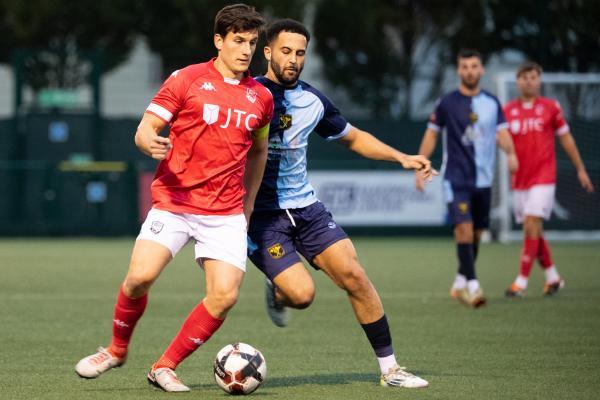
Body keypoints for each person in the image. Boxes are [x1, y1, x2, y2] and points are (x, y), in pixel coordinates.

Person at [74, 4, 273, 392]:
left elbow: (259, 152)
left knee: (224, 296)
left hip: (226, 212)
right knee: (138, 279)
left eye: (252, 42)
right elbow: (145, 128)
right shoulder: (186, 79)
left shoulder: (261, 98)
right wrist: (148, 140)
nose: (246, 50)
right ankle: (116, 350)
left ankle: (164, 366)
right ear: (219, 41)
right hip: (175, 202)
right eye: (238, 41)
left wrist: (248, 204)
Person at [247, 19, 435, 389]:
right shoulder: (246, 94)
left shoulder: (313, 101)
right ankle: (281, 289)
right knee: (302, 296)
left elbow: (353, 137)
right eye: (285, 51)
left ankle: (390, 369)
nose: (293, 60)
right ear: (267, 52)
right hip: (263, 216)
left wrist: (402, 157)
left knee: (355, 275)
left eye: (300, 53)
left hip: (307, 209)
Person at [416, 49, 519, 308]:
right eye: (465, 67)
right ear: (459, 70)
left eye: (474, 66)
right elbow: (431, 134)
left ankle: (461, 280)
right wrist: (420, 164)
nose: (469, 71)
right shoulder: (447, 103)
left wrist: (511, 153)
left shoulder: (493, 103)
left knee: (475, 233)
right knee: (463, 228)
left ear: (481, 70)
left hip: (483, 181)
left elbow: (502, 133)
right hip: (455, 177)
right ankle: (473, 286)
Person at [503, 61, 594, 297]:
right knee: (534, 230)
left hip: (544, 177)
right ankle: (553, 277)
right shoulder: (508, 110)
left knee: (531, 225)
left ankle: (520, 282)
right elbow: (500, 138)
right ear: (518, 81)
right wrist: (508, 154)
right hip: (520, 179)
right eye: (524, 77)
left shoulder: (550, 107)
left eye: (533, 77)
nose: (528, 81)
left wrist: (580, 169)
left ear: (539, 80)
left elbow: (567, 139)